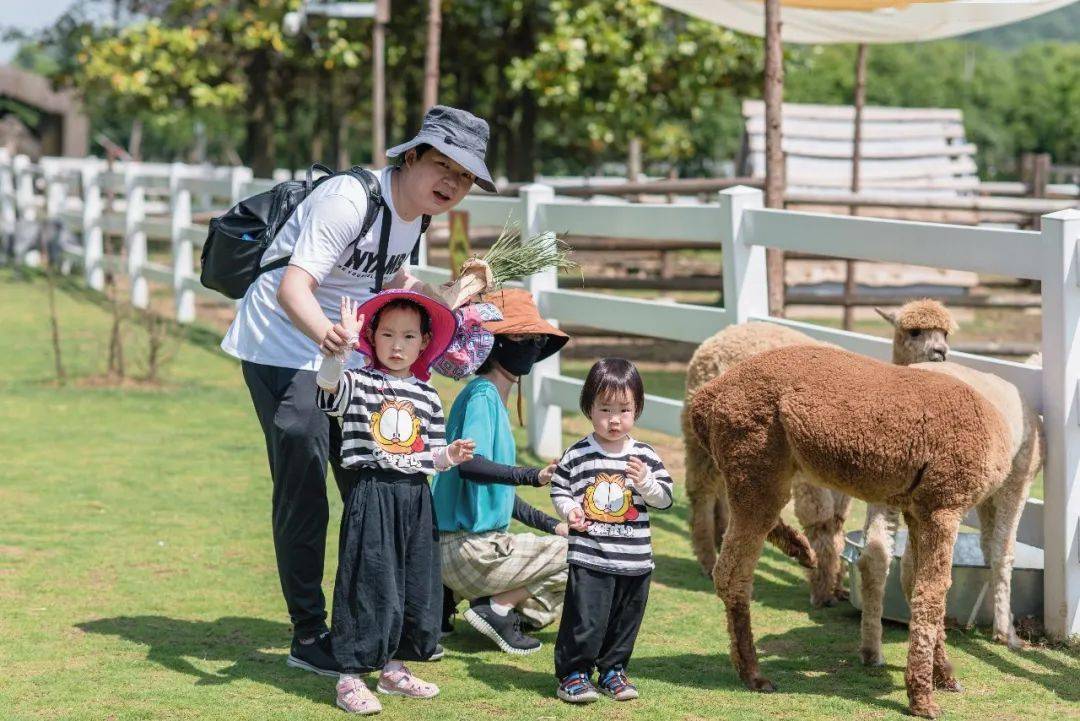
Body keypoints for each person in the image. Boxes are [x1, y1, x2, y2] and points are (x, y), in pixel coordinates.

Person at [218, 105, 496, 676]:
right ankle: (308, 633)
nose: (452, 183)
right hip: (284, 344)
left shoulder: (414, 216)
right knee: (305, 479)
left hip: (342, 349)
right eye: (442, 166)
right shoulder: (349, 200)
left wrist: (457, 292)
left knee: (375, 482)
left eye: (465, 176)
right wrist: (333, 345)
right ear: (410, 156)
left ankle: (378, 624)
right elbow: (294, 288)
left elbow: (391, 284)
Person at [316, 290, 471, 714]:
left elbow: (432, 455)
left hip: (415, 496)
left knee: (413, 580)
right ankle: (349, 677)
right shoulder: (360, 381)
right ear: (372, 337)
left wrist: (450, 455)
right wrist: (341, 347)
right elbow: (327, 388)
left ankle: (393, 668)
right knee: (369, 580)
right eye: (387, 334)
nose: (397, 345)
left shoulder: (428, 395)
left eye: (408, 336)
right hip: (373, 492)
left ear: (424, 343)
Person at [432, 288, 572, 655]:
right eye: (521, 336)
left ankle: (455, 600)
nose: (532, 344)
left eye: (536, 338)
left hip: (463, 548)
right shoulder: (482, 396)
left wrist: (552, 525)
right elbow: (471, 467)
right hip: (470, 549)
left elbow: (497, 493)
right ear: (492, 343)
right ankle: (496, 607)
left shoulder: (489, 396)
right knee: (584, 553)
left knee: (552, 580)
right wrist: (532, 474)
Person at [549, 358, 674, 703]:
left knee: (624, 622)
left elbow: (664, 499)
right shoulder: (577, 454)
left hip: (635, 560)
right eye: (605, 409)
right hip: (590, 557)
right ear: (589, 408)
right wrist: (570, 509)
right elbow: (560, 489)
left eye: (624, 409)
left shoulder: (644, 456)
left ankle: (613, 671)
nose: (614, 419)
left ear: (637, 410)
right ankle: (573, 674)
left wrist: (646, 483)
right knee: (585, 619)